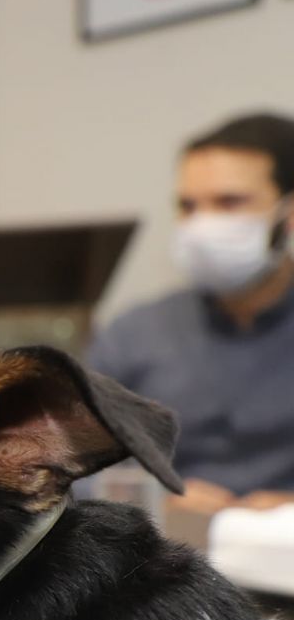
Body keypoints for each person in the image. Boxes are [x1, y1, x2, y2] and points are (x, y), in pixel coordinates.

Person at [88, 113, 294, 513]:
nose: (203, 224)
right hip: (165, 544)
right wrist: (155, 503)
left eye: (229, 202)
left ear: (288, 215)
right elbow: (72, 468)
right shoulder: (133, 335)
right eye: (188, 206)